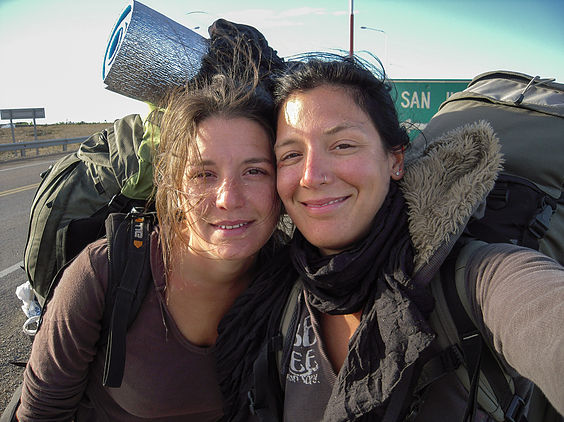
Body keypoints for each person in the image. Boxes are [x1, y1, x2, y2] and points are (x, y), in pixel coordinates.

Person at [216, 55, 564, 421]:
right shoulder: (274, 295)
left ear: (395, 160)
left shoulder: (479, 278)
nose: (311, 176)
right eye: (291, 154)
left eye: (343, 146)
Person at [16, 70, 283, 421]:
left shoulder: (291, 280)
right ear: (172, 186)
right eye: (204, 174)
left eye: (255, 171)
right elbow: (42, 414)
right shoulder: (105, 273)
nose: (229, 199)